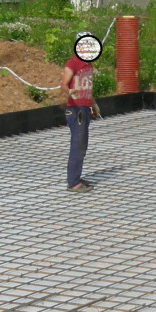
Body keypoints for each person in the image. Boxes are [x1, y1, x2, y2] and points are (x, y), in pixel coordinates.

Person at [61, 32, 102, 192]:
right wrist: (71, 92)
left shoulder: (88, 65)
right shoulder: (73, 63)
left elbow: (87, 88)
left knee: (82, 145)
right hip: (75, 109)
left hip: (84, 108)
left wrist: (94, 105)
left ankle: (76, 177)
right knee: (77, 145)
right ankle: (73, 183)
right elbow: (64, 84)